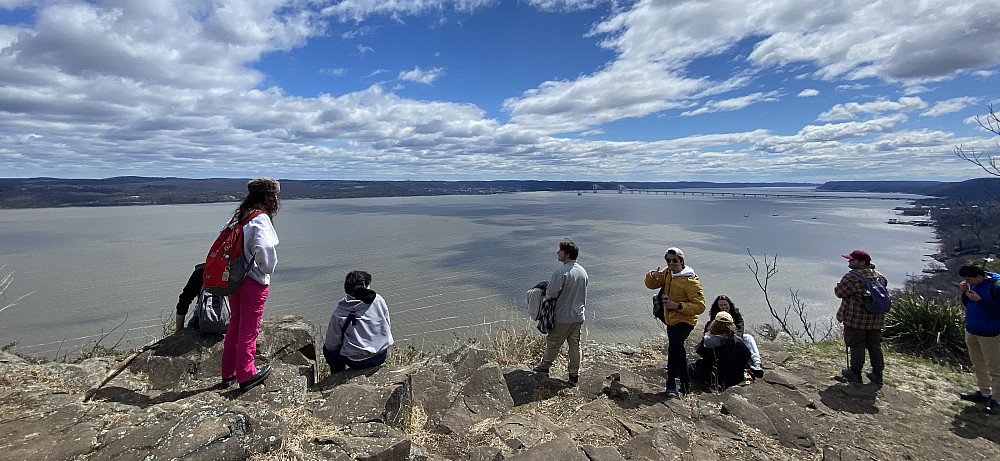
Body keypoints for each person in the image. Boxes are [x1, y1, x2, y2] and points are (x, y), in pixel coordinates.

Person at [220, 177, 280, 391]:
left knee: (235, 323)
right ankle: (246, 373)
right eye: (274, 195)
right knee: (250, 327)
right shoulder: (260, 218)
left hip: (234, 278)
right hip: (253, 280)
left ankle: (228, 372)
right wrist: (267, 269)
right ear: (269, 196)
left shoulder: (238, 217)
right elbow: (265, 249)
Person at [645, 247, 706, 397]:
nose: (671, 263)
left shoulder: (690, 281)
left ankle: (671, 384)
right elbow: (650, 285)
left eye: (674, 261)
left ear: (681, 261)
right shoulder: (667, 273)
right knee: (678, 349)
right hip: (670, 319)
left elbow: (700, 306)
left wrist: (678, 306)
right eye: (668, 260)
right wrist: (653, 275)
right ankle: (685, 385)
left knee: (674, 347)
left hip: (686, 320)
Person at [533, 239, 589, 385]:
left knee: (553, 342)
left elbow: (551, 293)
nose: (557, 253)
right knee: (575, 346)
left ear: (567, 254)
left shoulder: (561, 272)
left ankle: (544, 367)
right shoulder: (583, 272)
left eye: (560, 251)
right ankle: (573, 375)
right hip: (578, 315)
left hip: (563, 316)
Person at [323, 270, 394, 372]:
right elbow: (387, 324)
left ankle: (337, 375)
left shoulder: (340, 312)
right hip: (380, 355)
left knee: (328, 351)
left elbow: (332, 344)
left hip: (357, 361)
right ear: (364, 285)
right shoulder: (378, 300)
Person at [834, 250, 887, 385]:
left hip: (856, 319)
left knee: (856, 345)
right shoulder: (879, 276)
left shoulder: (852, 277)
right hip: (876, 319)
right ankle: (877, 373)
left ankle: (855, 373)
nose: (849, 262)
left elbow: (839, 292)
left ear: (862, 262)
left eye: (852, 260)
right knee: (874, 346)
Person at [957, 263, 1000, 415]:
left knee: (995, 368)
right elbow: (969, 304)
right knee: (978, 364)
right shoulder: (974, 283)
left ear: (979, 277)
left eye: (969, 279)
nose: (967, 282)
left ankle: (997, 400)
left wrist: (981, 300)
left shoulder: (996, 286)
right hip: (972, 329)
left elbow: (997, 311)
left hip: (990, 333)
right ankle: (984, 393)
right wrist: (965, 292)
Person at [689, 312, 752, 389]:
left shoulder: (708, 340)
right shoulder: (738, 341)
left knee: (691, 367)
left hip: (713, 377)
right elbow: (747, 356)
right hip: (735, 378)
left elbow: (700, 351)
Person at [705, 295, 763, 377]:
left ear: (729, 305)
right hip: (719, 339)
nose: (724, 307)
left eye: (725, 305)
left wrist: (734, 337)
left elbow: (740, 328)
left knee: (748, 338)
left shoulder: (735, 315)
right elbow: (711, 330)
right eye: (721, 305)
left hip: (734, 337)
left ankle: (757, 364)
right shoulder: (716, 317)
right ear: (717, 306)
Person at [175, 263, 205, 331]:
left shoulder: (201, 271)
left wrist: (179, 330)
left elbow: (184, 299)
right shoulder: (232, 272)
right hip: (228, 322)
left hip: (200, 322)